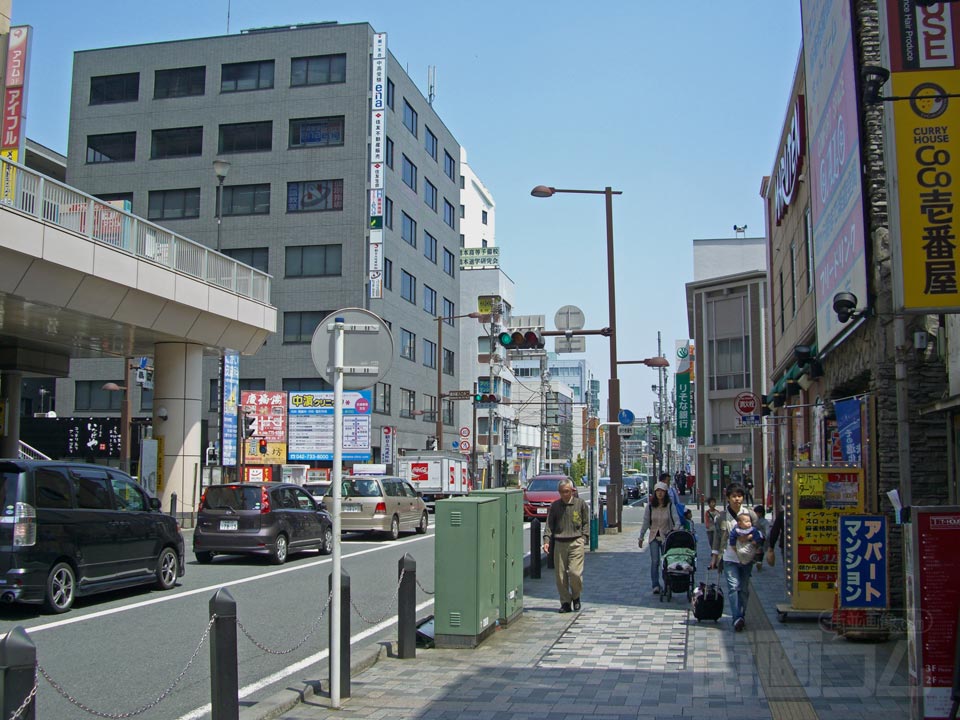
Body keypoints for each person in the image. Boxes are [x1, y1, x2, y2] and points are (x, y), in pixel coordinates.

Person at [708, 482, 761, 631]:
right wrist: (714, 557)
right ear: (728, 498)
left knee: (743, 588)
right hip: (729, 557)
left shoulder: (750, 514)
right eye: (733, 496)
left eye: (739, 496)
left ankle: (741, 614)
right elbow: (717, 539)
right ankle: (737, 617)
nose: (737, 499)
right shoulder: (721, 517)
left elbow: (760, 533)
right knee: (733, 587)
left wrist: (750, 538)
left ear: (743, 498)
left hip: (747, 557)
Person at [541, 478, 589, 613]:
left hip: (576, 541)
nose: (564, 494)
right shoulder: (555, 506)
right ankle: (565, 602)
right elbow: (549, 525)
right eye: (561, 492)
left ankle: (576, 596)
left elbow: (586, 522)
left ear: (572, 491)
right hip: (560, 542)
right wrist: (546, 541)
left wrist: (584, 537)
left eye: (567, 491)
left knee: (575, 573)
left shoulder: (580, 504)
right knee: (560, 576)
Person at [638, 481, 681, 594]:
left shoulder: (670, 506)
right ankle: (655, 585)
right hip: (653, 537)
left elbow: (677, 521)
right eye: (657, 491)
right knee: (655, 561)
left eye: (662, 491)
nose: (659, 493)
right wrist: (641, 537)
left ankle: (667, 583)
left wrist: (674, 531)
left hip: (666, 537)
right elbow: (646, 522)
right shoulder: (650, 507)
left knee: (666, 561)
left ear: (665, 493)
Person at [753, 505, 770, 572]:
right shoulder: (754, 521)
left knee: (759, 549)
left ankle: (758, 561)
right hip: (757, 538)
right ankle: (758, 561)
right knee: (759, 550)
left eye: (756, 513)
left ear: (761, 513)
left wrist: (766, 538)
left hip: (760, 538)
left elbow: (767, 531)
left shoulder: (763, 522)